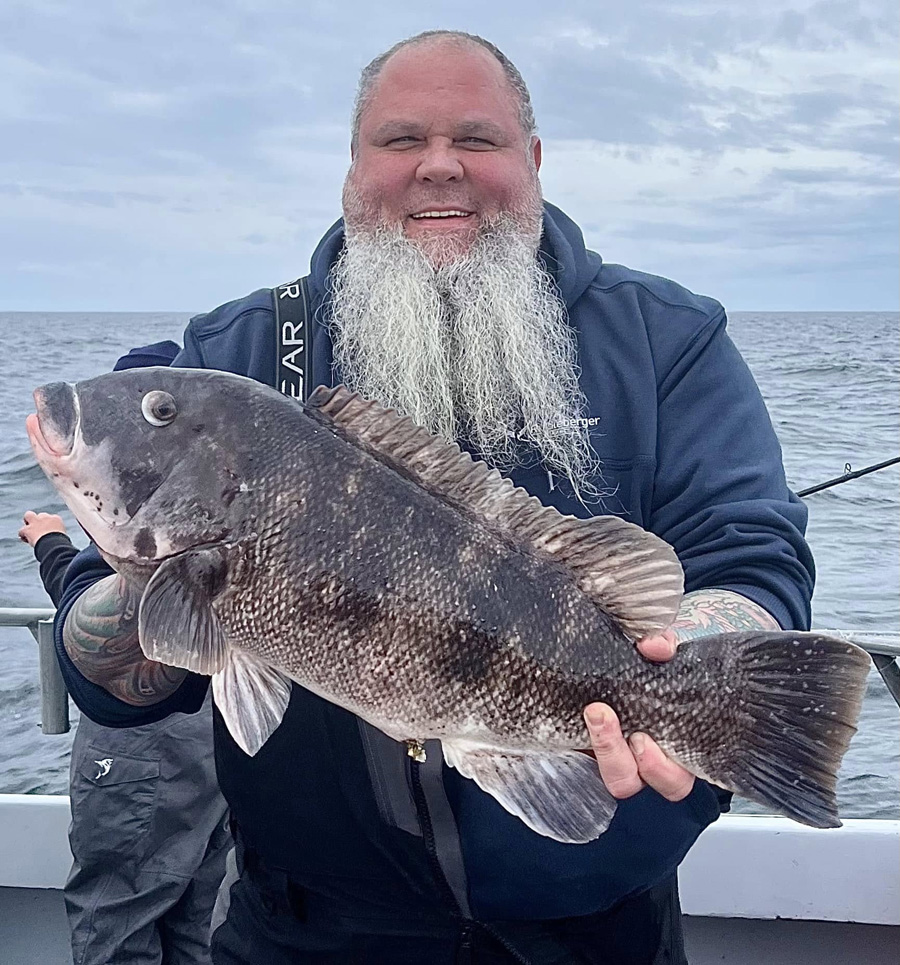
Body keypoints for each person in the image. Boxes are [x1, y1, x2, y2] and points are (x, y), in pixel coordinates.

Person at [49, 31, 814, 965]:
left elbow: (752, 556)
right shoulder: (236, 354)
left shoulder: (668, 338)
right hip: (306, 930)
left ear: (531, 163)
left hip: (595, 929)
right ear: (353, 167)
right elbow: (112, 685)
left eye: (477, 141)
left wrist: (679, 662)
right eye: (402, 140)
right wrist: (155, 584)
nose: (439, 167)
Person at [21, 340, 231, 965]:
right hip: (211, 743)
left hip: (138, 750)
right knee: (202, 910)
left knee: (115, 912)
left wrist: (49, 542)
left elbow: (79, 589)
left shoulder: (144, 502)